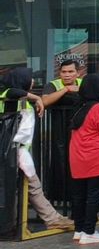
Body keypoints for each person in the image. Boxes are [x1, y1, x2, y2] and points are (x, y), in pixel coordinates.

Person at [1, 68, 72, 232]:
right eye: (30, 78)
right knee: (30, 188)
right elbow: (12, 92)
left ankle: (48, 219)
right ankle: (50, 219)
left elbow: (10, 91)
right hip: (16, 154)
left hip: (12, 154)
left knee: (26, 188)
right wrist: (36, 97)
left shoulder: (6, 98)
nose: (33, 81)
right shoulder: (20, 102)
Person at [68, 73, 99, 244]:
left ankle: (79, 229)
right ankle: (89, 231)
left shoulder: (78, 107)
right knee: (94, 194)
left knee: (79, 195)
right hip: (95, 156)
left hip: (76, 155)